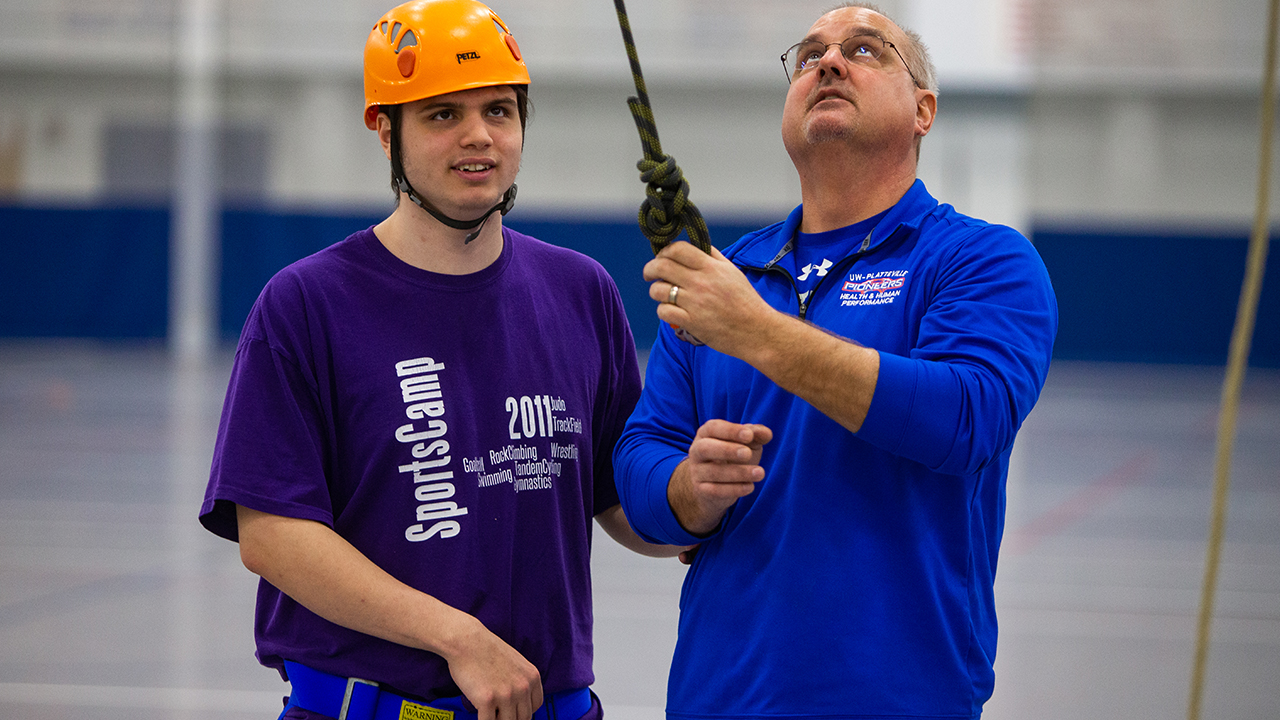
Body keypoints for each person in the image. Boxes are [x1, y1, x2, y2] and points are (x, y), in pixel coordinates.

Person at [199, 2, 679, 719]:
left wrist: (694, 497)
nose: (479, 136)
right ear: (383, 130)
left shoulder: (581, 292)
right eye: (442, 115)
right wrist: (458, 638)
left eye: (499, 110)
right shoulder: (306, 305)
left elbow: (622, 504)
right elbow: (272, 537)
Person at [613, 3, 1058, 719]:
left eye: (865, 49)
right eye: (808, 55)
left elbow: (966, 417)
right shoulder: (732, 277)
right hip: (717, 699)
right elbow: (641, 457)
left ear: (924, 109)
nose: (827, 62)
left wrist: (761, 333)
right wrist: (687, 492)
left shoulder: (980, 261)